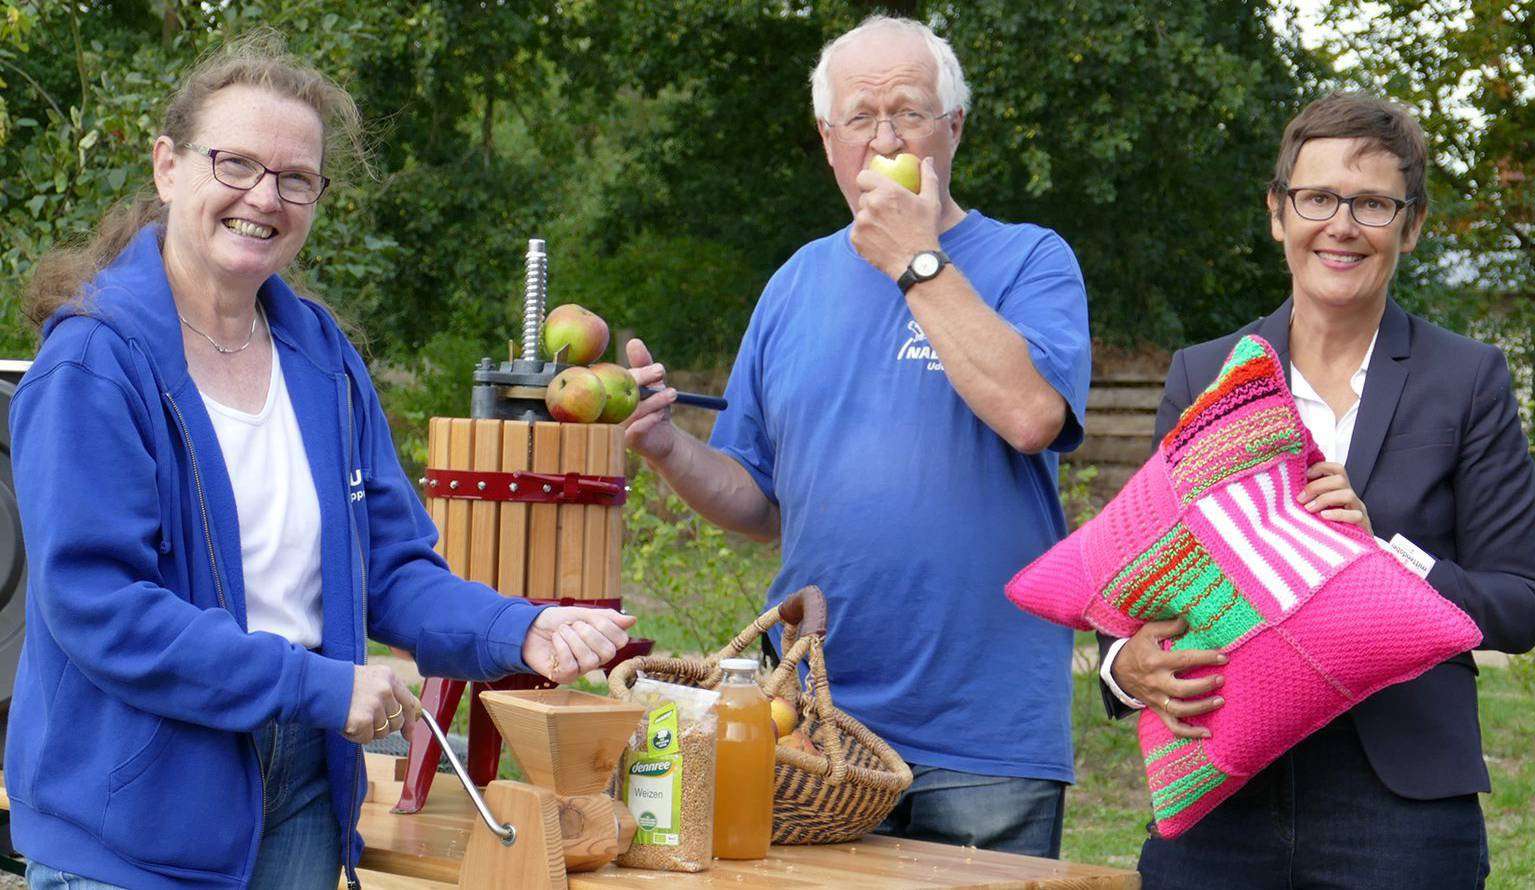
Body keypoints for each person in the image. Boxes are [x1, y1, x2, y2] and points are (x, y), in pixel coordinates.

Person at [9, 33, 635, 890]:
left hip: (304, 787)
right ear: (167, 167)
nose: (263, 198)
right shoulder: (94, 363)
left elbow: (390, 569)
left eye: (295, 178)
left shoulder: (320, 358)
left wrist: (518, 627)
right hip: (139, 807)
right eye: (235, 164)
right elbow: (99, 608)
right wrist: (307, 682)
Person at [623, 15, 1091, 859]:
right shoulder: (793, 284)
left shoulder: (1029, 260)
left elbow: (1030, 417)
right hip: (812, 730)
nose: (884, 139)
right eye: (860, 118)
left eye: (908, 113)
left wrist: (916, 259)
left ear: (954, 126)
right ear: (826, 137)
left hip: (983, 736)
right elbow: (758, 501)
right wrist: (665, 446)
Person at [1099, 92, 1535, 888]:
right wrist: (1121, 667)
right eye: (1316, 198)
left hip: (1401, 809)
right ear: (1278, 213)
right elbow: (1134, 581)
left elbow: (1518, 606)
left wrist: (1382, 555)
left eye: (1372, 203)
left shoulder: (1467, 380)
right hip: (1219, 794)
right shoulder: (1202, 375)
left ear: (1409, 226)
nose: (1340, 225)